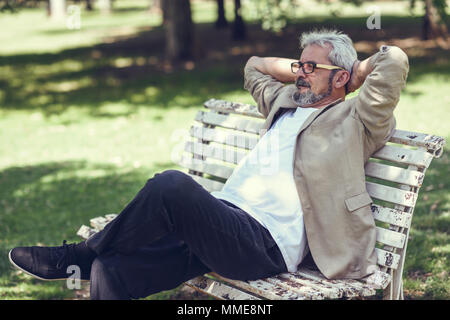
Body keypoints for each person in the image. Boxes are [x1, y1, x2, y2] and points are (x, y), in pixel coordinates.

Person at [8, 29, 409, 300]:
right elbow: (254, 65)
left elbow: (394, 61)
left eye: (309, 68)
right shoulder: (286, 102)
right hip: (222, 223)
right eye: (298, 66)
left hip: (263, 243)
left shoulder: (358, 121)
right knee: (111, 272)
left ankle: (74, 255)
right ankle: (90, 261)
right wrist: (305, 67)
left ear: (340, 78)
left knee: (170, 186)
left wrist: (356, 74)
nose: (299, 75)